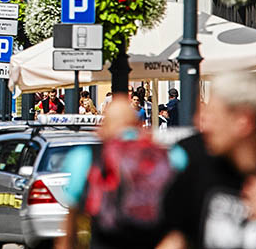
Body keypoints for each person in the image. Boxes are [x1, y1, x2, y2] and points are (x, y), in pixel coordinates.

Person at [57, 96, 182, 249]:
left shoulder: (86, 158)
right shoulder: (171, 156)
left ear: (103, 128)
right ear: (140, 125)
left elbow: (70, 227)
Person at [158, 72, 256, 248]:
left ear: (243, 121)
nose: (203, 125)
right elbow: (177, 238)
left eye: (213, 115)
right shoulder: (199, 167)